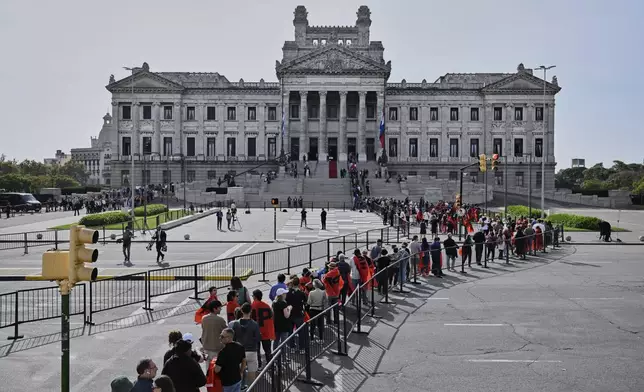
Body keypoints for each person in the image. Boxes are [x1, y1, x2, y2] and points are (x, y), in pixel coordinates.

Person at [229, 303, 260, 386]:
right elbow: (257, 339)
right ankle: (251, 388)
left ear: (241, 311)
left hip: (239, 352)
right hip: (252, 351)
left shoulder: (236, 324)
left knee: (240, 372)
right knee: (252, 373)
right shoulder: (255, 324)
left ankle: (241, 388)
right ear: (251, 311)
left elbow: (233, 338)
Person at [215, 328, 246, 392]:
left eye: (222, 336)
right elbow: (244, 361)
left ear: (228, 338)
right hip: (237, 379)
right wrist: (241, 372)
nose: (220, 337)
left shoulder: (223, 352)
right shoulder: (240, 346)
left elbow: (217, 370)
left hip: (227, 383)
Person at [250, 289, 274, 368]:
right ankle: (270, 365)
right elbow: (271, 317)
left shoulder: (253, 306)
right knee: (267, 350)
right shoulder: (266, 305)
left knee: (257, 350)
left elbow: (252, 319)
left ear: (255, 297)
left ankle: (259, 365)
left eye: (253, 295)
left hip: (256, 331)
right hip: (266, 331)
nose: (252, 297)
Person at [286, 277, 307, 349]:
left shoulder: (288, 293)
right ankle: (301, 348)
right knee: (301, 332)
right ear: (299, 284)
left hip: (290, 315)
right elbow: (305, 302)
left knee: (290, 332)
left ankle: (292, 347)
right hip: (299, 315)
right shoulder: (301, 293)